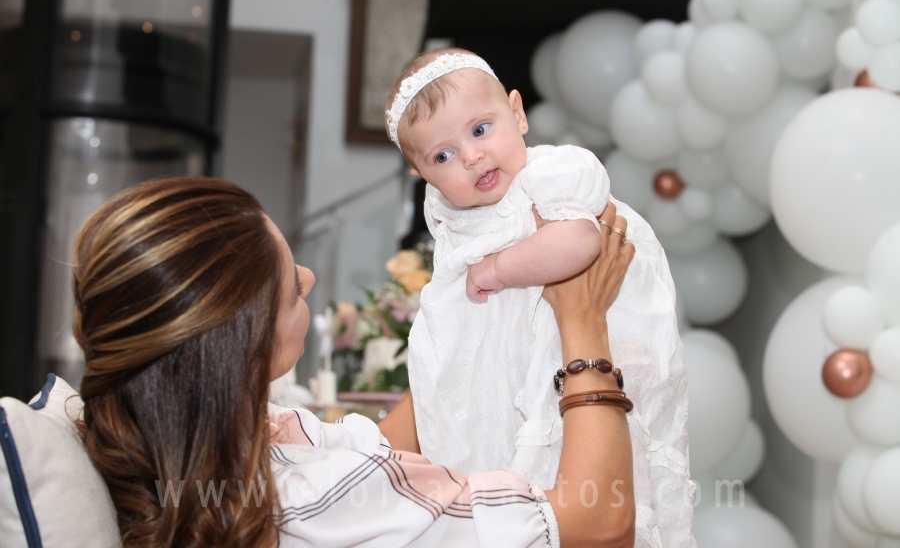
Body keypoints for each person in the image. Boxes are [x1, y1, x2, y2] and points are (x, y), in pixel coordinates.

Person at [73, 176, 636, 547]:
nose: (309, 280)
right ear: (242, 348)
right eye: (292, 288)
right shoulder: (310, 499)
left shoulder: (216, 444)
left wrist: (480, 325)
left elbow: (385, 449)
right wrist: (584, 323)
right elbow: (599, 523)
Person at [385, 49, 694, 547]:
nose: (470, 156)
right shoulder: (455, 224)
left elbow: (579, 242)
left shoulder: (549, 175)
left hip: (590, 357)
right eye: (442, 156)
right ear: (422, 175)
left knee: (586, 476)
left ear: (518, 113)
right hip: (527, 379)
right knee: (522, 476)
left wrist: (498, 269)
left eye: (480, 130)